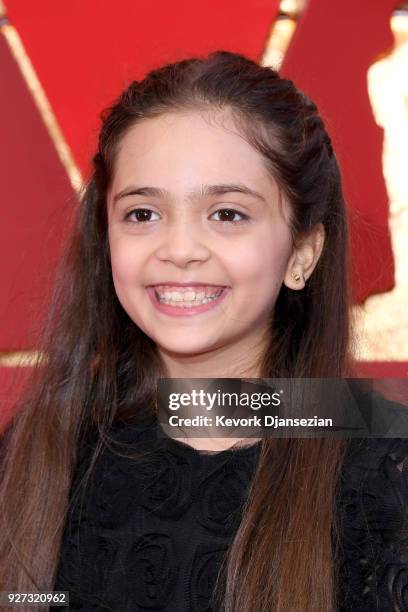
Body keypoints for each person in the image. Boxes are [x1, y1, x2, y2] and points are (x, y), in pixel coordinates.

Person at [0, 50, 407, 612]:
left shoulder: (385, 467)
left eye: (227, 214)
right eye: (142, 213)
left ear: (304, 253)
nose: (180, 250)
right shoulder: (44, 449)